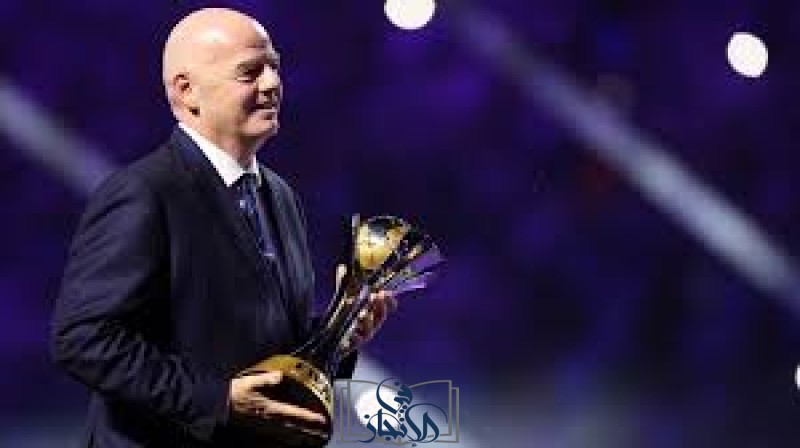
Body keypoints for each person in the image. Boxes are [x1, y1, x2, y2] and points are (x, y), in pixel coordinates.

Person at [50, 7, 396, 447]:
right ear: (187, 91)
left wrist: (338, 333)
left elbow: (262, 343)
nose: (272, 83)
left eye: (274, 67)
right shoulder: (144, 192)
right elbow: (83, 338)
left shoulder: (281, 195)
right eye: (250, 72)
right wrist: (218, 401)